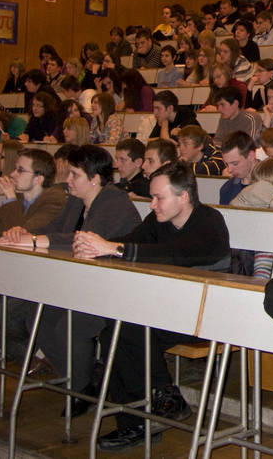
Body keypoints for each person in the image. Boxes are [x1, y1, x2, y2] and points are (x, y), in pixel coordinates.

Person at [71, 162, 230, 451]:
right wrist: (97, 245)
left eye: (159, 198)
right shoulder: (159, 221)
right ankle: (147, 413)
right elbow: (130, 242)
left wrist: (113, 249)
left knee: (127, 328)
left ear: (183, 196)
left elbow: (175, 254)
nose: (152, 204)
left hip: (205, 314)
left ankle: (154, 408)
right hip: (166, 310)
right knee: (113, 332)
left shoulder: (209, 221)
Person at [0, 145, 141, 410]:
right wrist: (23, 234)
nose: (67, 179)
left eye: (74, 175)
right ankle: (81, 379)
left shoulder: (115, 202)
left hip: (112, 289)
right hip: (77, 285)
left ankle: (81, 389)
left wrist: (35, 240)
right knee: (37, 317)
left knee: (69, 325)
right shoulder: (75, 201)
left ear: (95, 178)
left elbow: (81, 240)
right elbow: (52, 230)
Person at [0, 148, 67, 239]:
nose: (12, 174)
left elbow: (21, 235)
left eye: (20, 170)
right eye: (15, 168)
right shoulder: (19, 198)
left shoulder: (54, 200)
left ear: (38, 179)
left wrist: (11, 198)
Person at [218, 131, 259, 204]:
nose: (229, 170)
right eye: (227, 164)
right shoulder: (227, 189)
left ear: (251, 156)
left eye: (235, 163)